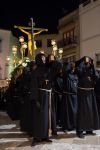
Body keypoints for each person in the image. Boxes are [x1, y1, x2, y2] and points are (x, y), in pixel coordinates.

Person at [30, 53, 52, 146]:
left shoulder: (47, 70)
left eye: (44, 58)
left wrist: (52, 58)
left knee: (46, 117)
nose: (43, 59)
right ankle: (36, 137)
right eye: (42, 58)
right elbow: (34, 86)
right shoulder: (35, 71)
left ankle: (45, 136)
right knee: (39, 118)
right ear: (38, 59)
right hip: (39, 96)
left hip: (47, 96)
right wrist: (36, 100)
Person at [76, 56, 100, 138]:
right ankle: (80, 131)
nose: (88, 62)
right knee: (82, 113)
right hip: (83, 93)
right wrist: (84, 65)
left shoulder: (91, 69)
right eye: (87, 60)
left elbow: (97, 77)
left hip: (90, 93)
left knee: (91, 112)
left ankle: (89, 129)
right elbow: (79, 73)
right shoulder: (81, 68)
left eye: (89, 61)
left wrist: (92, 67)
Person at [61, 62, 78, 131]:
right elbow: (65, 72)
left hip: (74, 96)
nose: (73, 69)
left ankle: (73, 125)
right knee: (67, 113)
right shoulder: (66, 75)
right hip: (67, 96)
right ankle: (66, 127)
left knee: (74, 112)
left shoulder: (75, 76)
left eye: (73, 68)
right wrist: (71, 67)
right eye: (72, 68)